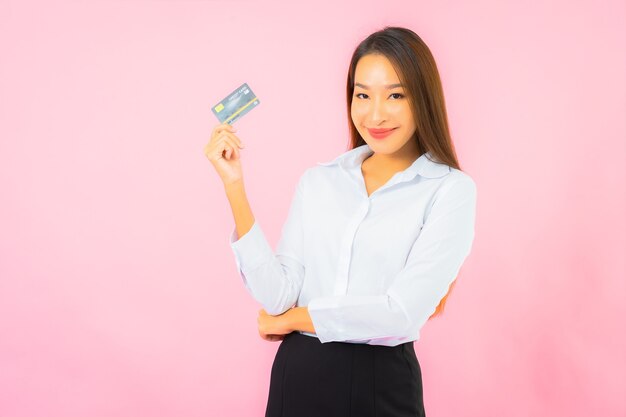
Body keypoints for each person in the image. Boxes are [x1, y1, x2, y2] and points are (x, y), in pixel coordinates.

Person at [204, 26, 477, 417]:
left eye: (395, 95)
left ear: (424, 98)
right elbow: (279, 294)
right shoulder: (319, 181)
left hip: (380, 384)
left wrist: (296, 319)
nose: (375, 113)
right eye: (362, 94)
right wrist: (235, 187)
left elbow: (402, 313)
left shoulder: (450, 190)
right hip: (297, 378)